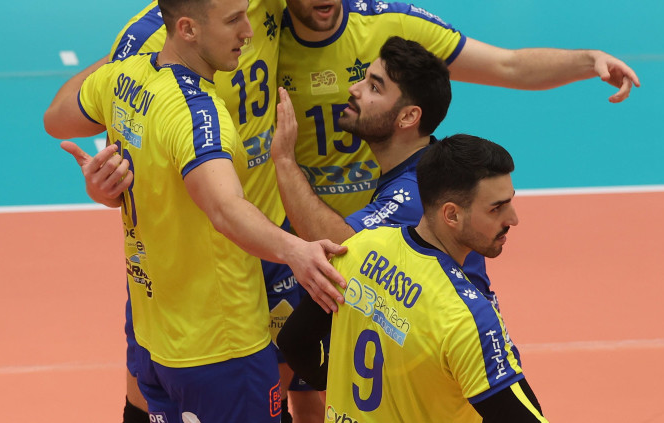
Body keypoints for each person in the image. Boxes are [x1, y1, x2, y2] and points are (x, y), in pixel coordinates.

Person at [43, 0, 347, 421]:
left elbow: (59, 118)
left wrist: (102, 186)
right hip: (221, 337)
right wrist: (297, 250)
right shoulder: (200, 114)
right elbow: (224, 207)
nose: (248, 31)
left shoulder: (121, 76)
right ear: (186, 29)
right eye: (233, 21)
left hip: (159, 331)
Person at [279, 0, 640, 218]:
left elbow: (507, 66)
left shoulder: (390, 23)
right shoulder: (263, 31)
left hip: (383, 222)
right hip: (291, 227)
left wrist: (588, 61)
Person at [278, 133, 546, 422]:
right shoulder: (464, 317)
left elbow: (293, 341)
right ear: (451, 215)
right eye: (496, 208)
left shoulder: (359, 248)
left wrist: (331, 382)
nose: (513, 219)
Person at [272, 36, 498, 304]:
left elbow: (342, 248)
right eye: (364, 79)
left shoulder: (417, 190)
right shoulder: (424, 165)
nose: (354, 89)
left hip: (463, 330)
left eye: (374, 88)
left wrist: (284, 160)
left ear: (408, 117)